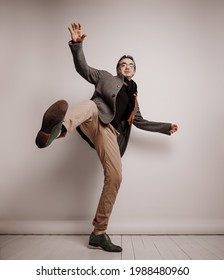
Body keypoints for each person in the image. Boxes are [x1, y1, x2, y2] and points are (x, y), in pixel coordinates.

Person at [35, 22, 178, 253]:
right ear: (118, 68)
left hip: (110, 135)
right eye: (123, 64)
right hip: (94, 119)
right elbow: (83, 69)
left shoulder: (133, 98)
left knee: (115, 177)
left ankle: (98, 233)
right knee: (90, 105)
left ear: (135, 70)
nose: (127, 67)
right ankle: (57, 130)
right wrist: (77, 44)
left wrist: (165, 127)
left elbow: (140, 121)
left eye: (131, 65)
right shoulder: (104, 77)